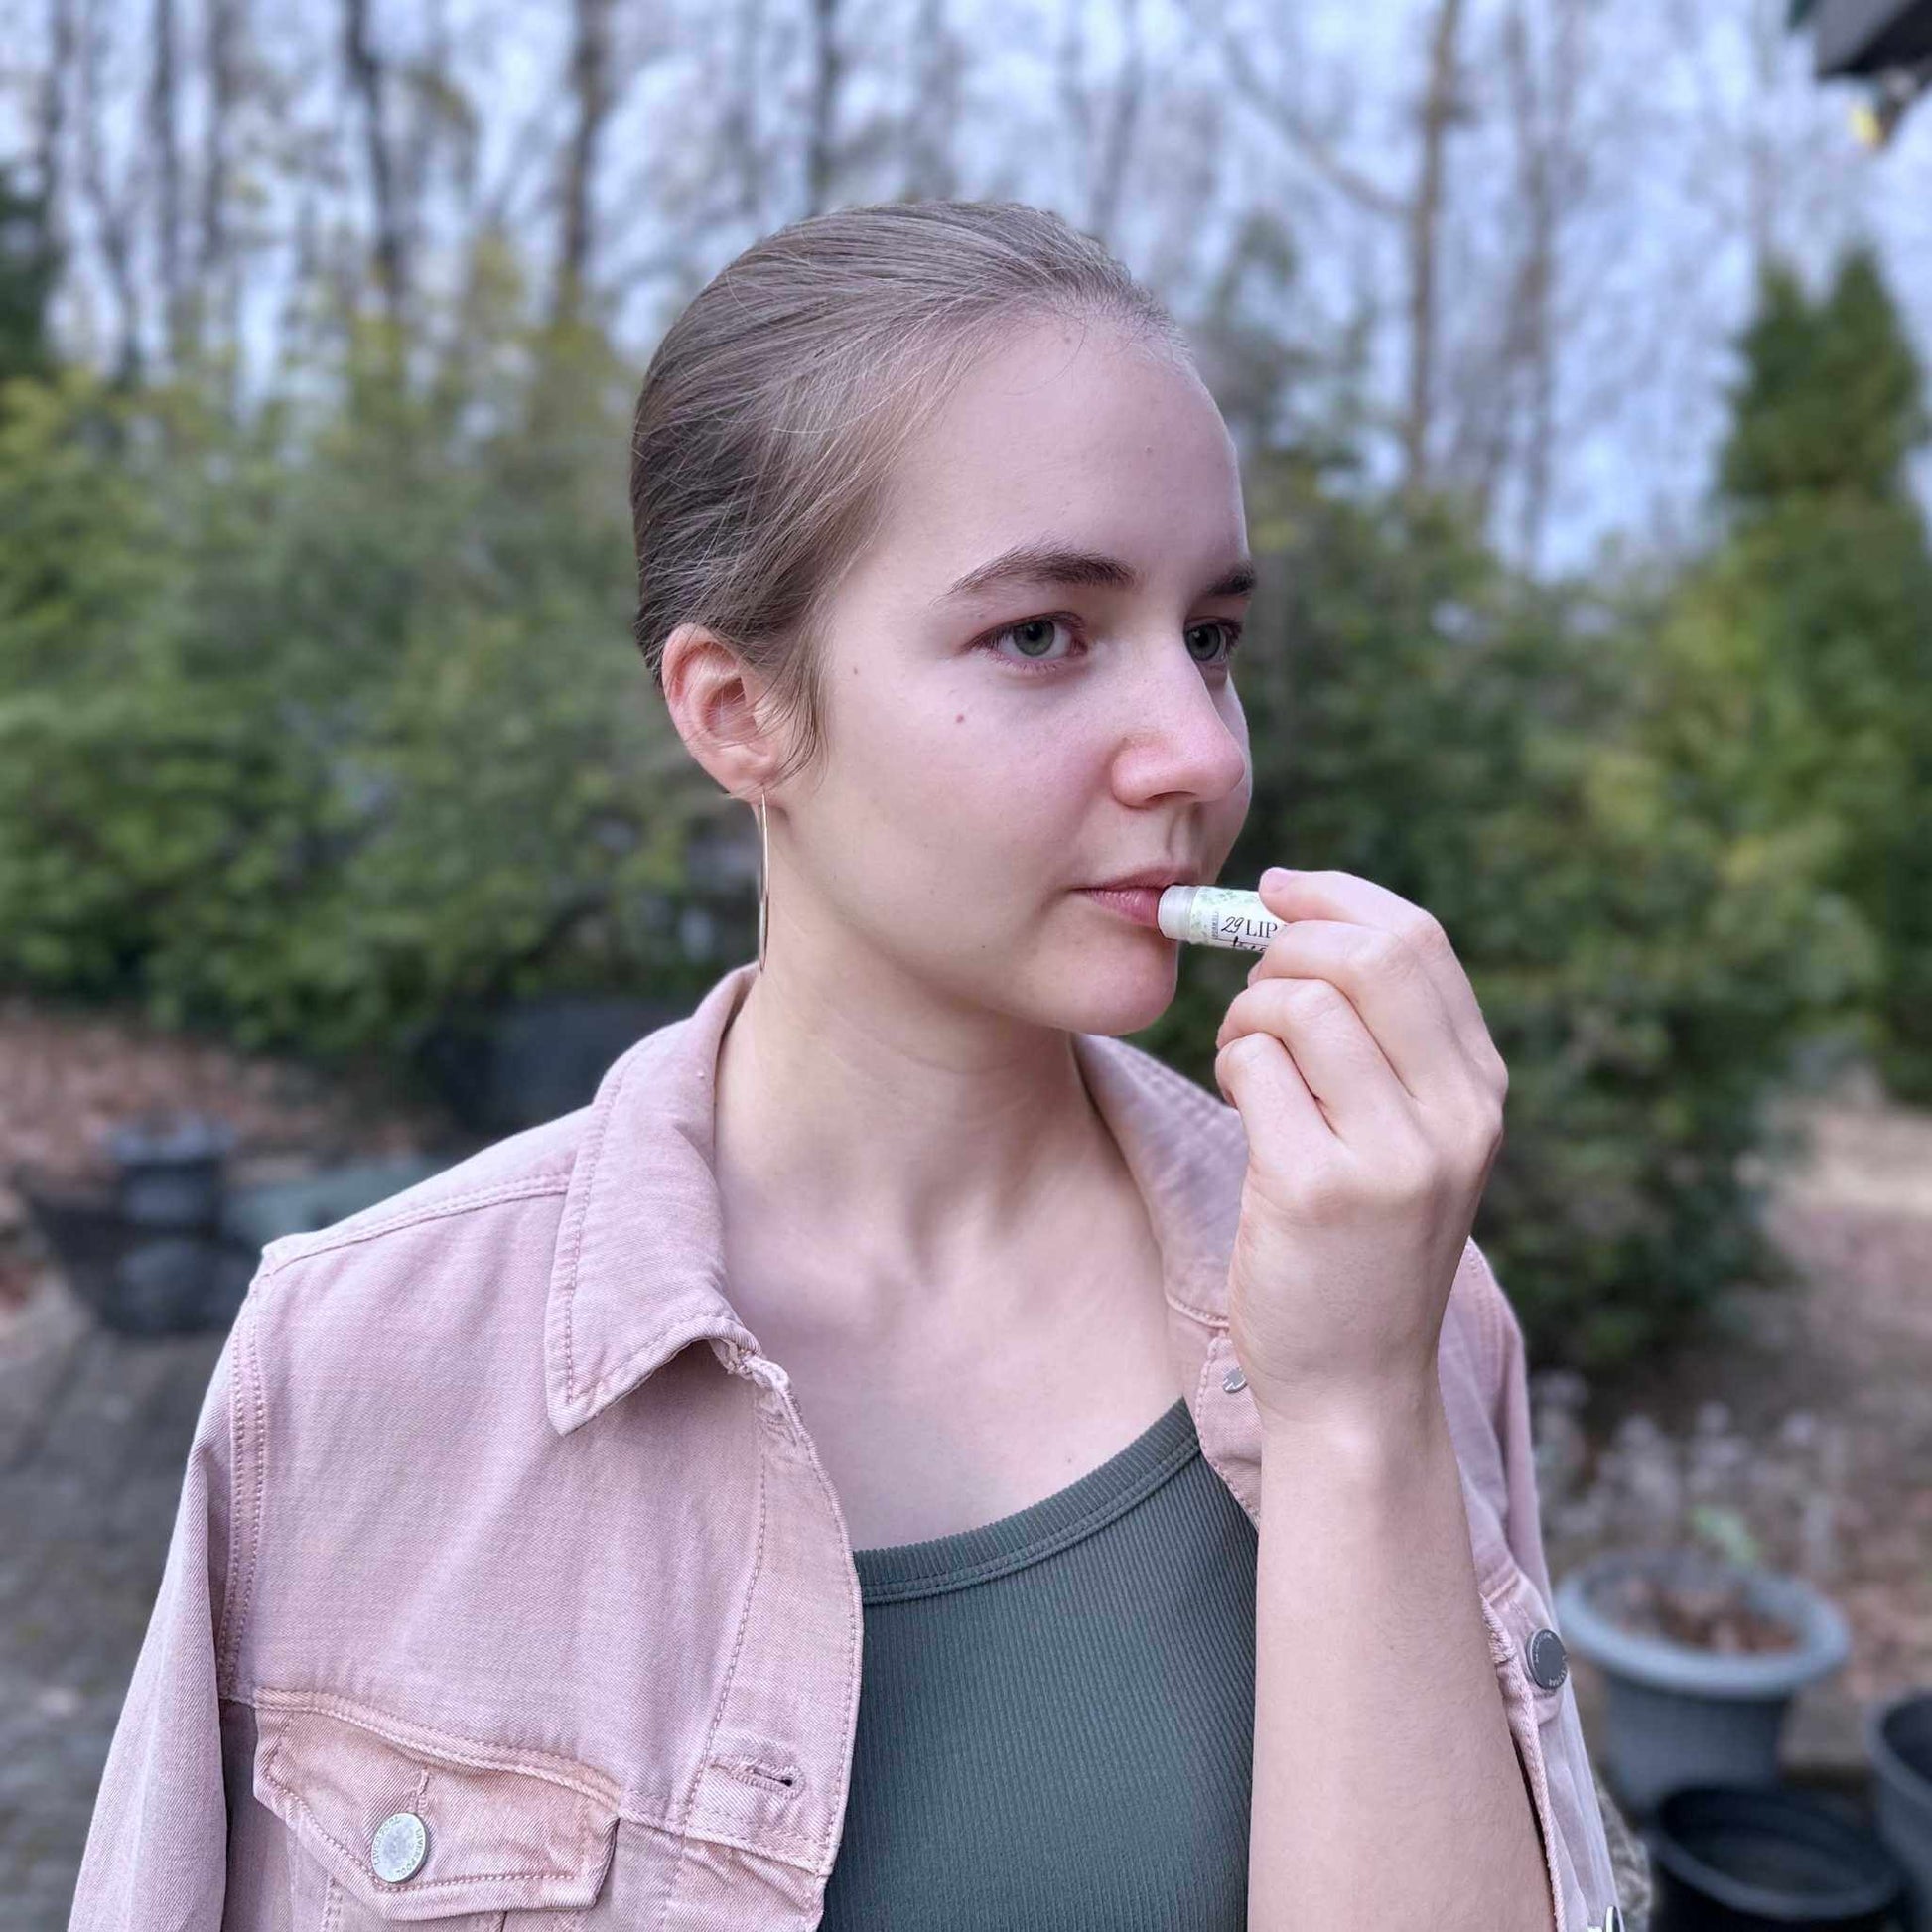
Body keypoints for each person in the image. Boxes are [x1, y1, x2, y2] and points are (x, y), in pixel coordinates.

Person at [69, 200, 1629, 1932]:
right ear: (738, 711)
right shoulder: (351, 1360)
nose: (1196, 748)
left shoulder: (1406, 1308)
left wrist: (1350, 1414)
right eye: (1041, 631)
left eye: (1211, 634)